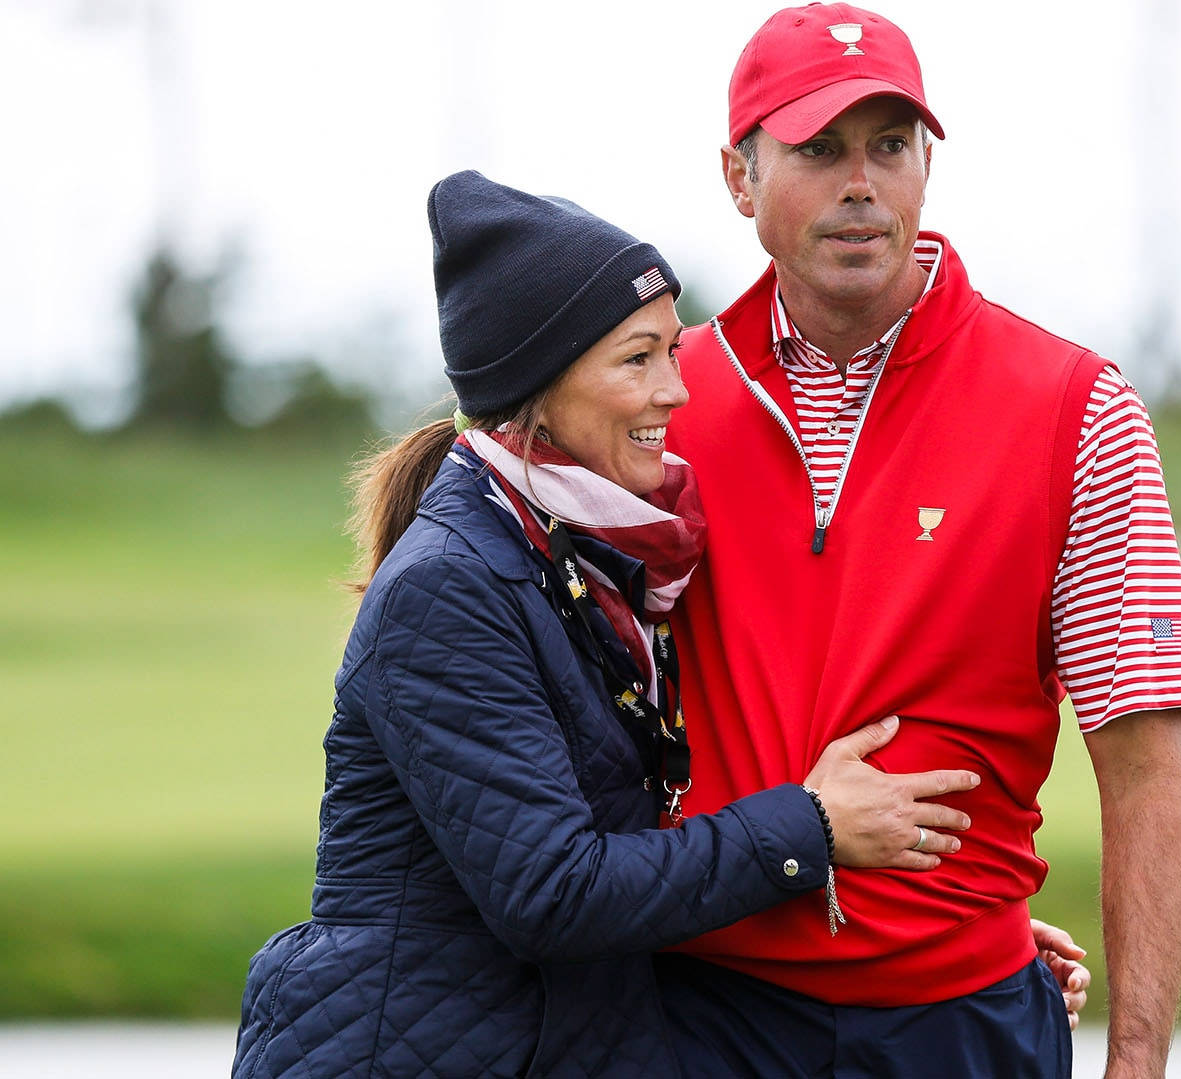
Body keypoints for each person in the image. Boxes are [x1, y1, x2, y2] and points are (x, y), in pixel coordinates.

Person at [229, 169, 1056, 1079]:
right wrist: (810, 825)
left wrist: (953, 947)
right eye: (638, 359)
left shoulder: (573, 555)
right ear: (538, 383)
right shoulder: (450, 587)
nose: (677, 391)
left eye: (671, 351)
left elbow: (629, 841)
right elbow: (557, 892)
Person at [655, 5, 1181, 1078]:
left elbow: (1146, 770)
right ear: (739, 176)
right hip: (697, 1014)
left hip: (960, 1022)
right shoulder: (663, 400)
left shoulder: (1074, 407)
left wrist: (1134, 1064)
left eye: (890, 145)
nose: (860, 182)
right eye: (819, 149)